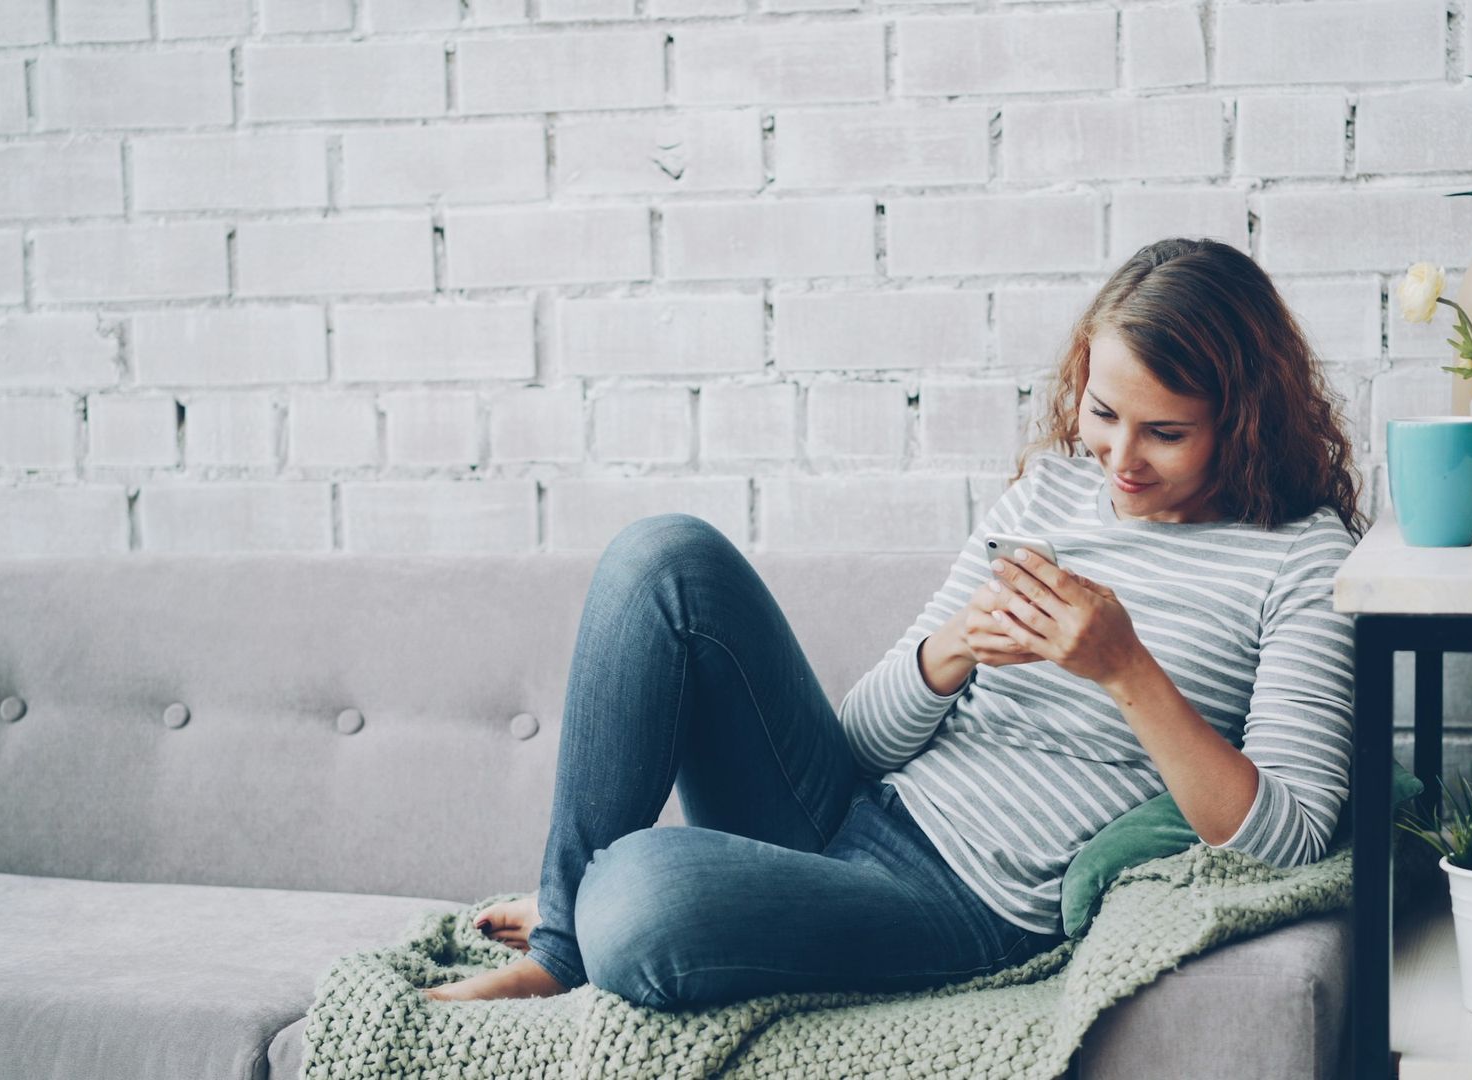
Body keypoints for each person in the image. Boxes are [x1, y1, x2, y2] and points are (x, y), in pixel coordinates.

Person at [425, 237, 1366, 1009]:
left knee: (639, 897)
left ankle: (593, 917)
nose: (1119, 457)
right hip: (852, 811)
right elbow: (860, 741)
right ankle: (558, 946)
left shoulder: (1297, 557)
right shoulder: (1049, 495)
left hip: (966, 902)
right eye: (1104, 412)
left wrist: (1128, 673)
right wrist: (949, 651)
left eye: (1166, 434)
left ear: (1243, 421)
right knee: (662, 558)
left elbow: (1290, 837)